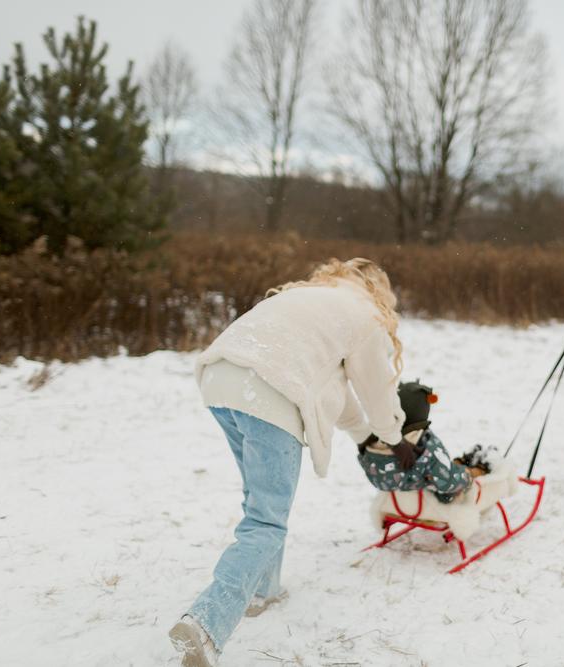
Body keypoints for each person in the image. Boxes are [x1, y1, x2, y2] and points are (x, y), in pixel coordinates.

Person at [169, 258, 414, 667]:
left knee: (260, 502)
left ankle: (263, 590)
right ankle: (206, 623)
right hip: (271, 391)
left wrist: (364, 437)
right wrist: (393, 437)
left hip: (221, 379)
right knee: (266, 520)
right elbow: (376, 392)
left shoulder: (307, 297)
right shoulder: (364, 315)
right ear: (377, 292)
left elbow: (336, 389)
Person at [357, 381, 487, 504]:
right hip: (426, 480)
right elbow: (447, 481)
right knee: (446, 478)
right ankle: (469, 469)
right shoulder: (423, 446)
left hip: (381, 479)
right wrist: (468, 477)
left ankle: (455, 465)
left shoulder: (376, 436)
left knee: (435, 467)